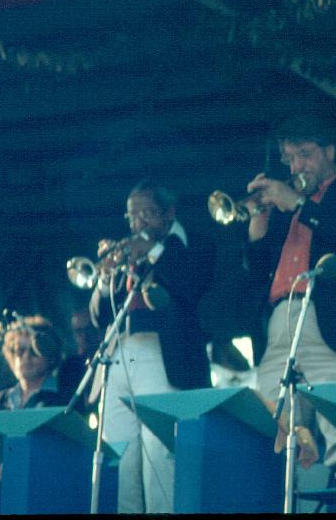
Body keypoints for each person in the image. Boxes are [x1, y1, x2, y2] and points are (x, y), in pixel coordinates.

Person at [243, 112, 336, 503]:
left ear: (330, 150)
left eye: (306, 154)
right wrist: (259, 222)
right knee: (273, 439)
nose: (297, 166)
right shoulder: (283, 207)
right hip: (282, 328)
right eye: (290, 158)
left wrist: (298, 203)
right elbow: (259, 272)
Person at [89, 179, 212, 513]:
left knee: (159, 453)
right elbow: (99, 317)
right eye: (132, 216)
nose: (138, 223)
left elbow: (191, 286)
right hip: (118, 355)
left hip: (162, 351)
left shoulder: (191, 244)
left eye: (147, 213)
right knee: (121, 453)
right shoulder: (129, 253)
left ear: (169, 213)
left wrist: (154, 252)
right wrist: (104, 277)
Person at [0, 315, 67, 514]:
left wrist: (7, 471)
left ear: (49, 354)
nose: (25, 357)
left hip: (32, 488)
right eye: (19, 350)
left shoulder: (60, 400)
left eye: (33, 351)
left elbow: (50, 454)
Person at [56, 307, 101, 412]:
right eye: (79, 331)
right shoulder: (68, 368)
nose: (84, 336)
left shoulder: (112, 360)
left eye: (89, 330)